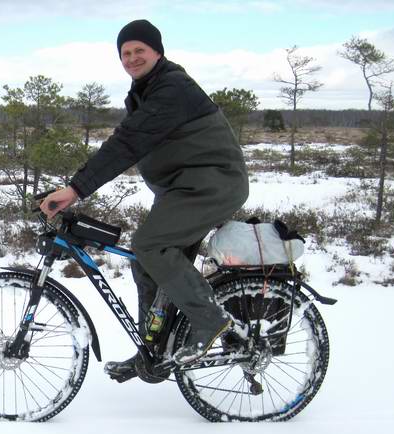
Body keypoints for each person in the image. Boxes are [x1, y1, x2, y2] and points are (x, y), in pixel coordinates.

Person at [40, 19, 249, 380]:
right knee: (145, 260)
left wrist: (74, 189)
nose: (132, 58)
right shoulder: (145, 92)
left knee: (150, 245)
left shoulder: (171, 88)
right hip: (184, 187)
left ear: (158, 52)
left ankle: (210, 320)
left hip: (212, 183)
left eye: (140, 50)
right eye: (126, 53)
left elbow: (126, 144)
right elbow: (127, 140)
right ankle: (153, 350)